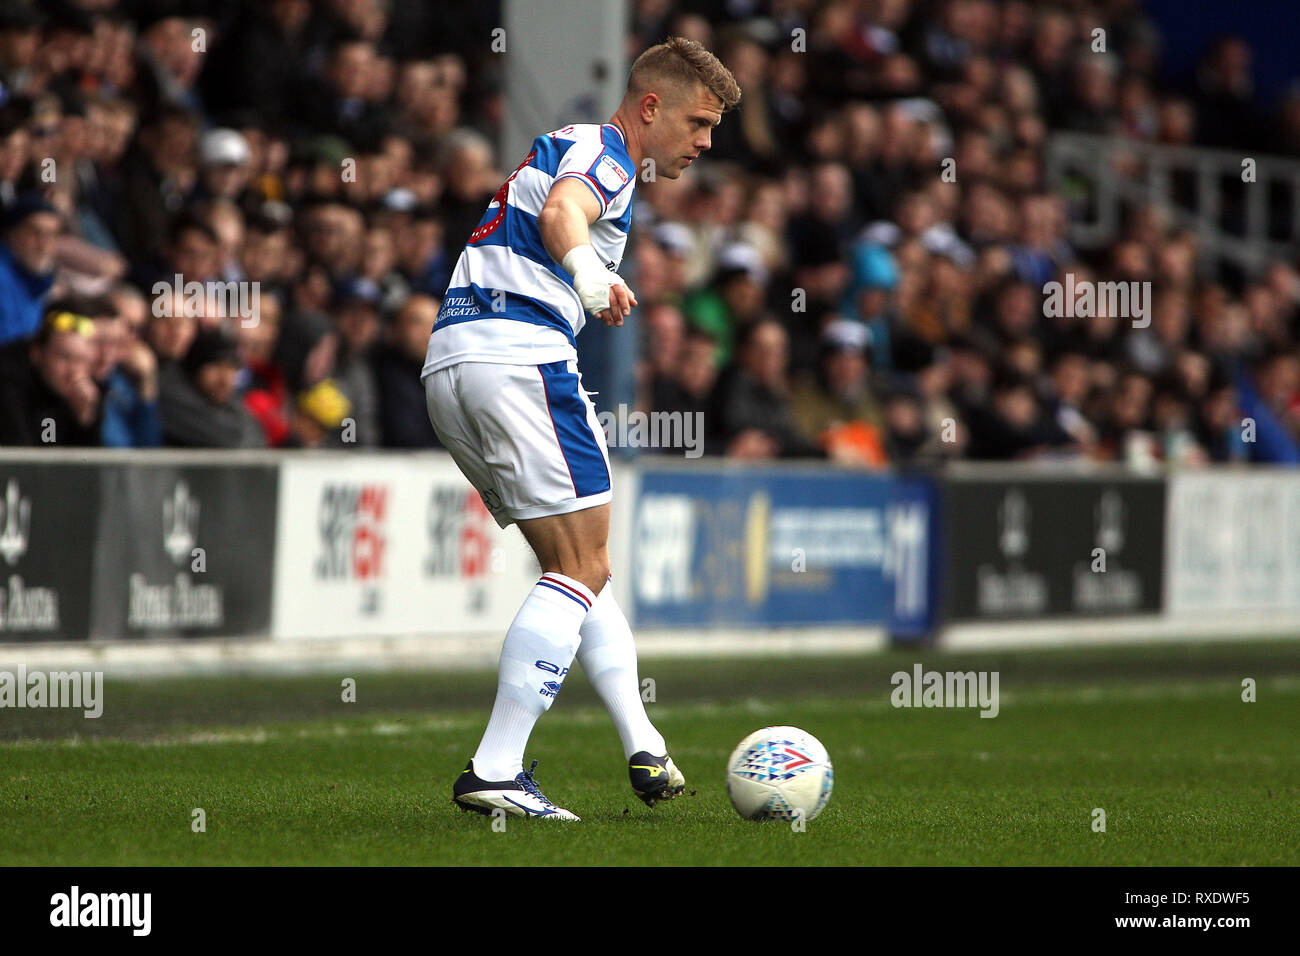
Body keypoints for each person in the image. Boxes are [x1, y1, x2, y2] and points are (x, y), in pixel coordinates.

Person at [421, 37, 740, 820]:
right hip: (520, 358)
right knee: (582, 564)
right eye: (698, 123)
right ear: (651, 106)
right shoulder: (607, 153)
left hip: (455, 362)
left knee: (580, 564)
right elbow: (567, 211)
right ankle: (496, 768)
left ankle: (644, 744)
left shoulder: (571, 147)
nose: (703, 144)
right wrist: (590, 274)